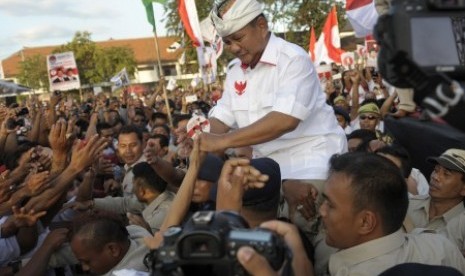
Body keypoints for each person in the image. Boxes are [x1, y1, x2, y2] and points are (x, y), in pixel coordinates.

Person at [200, 0, 346, 223]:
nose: (234, 48)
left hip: (309, 166)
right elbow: (222, 117)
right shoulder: (235, 72)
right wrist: (198, 135)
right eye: (228, 42)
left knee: (303, 231)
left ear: (261, 25)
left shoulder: (292, 59)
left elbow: (284, 121)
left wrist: (223, 141)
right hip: (265, 171)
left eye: (238, 39)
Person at [319, 152, 465, 275]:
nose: (321, 211)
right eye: (436, 170)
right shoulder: (440, 246)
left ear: (366, 222)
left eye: (330, 205)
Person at [406, 148, 465, 233]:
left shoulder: (461, 229)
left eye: (446, 174)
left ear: (463, 189)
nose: (435, 177)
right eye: (436, 170)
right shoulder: (408, 205)